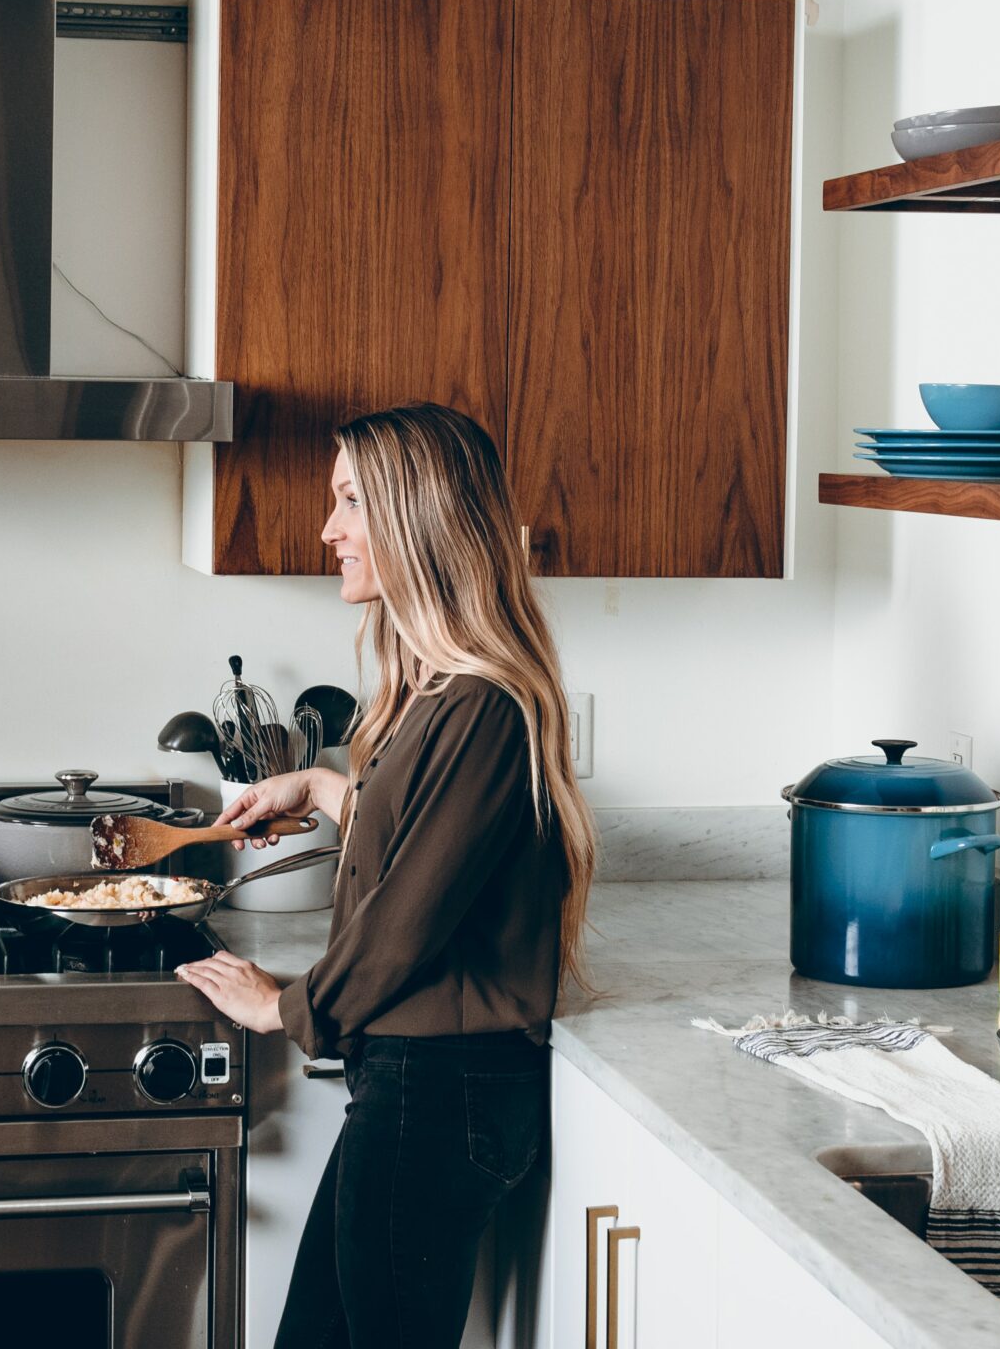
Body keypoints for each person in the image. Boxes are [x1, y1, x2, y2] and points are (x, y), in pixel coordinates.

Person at [175, 402, 596, 1349]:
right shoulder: (438, 695)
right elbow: (431, 845)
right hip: (416, 1091)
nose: (329, 529)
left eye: (352, 501)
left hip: (438, 1094)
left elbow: (407, 919)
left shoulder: (481, 704)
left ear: (420, 517)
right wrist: (325, 786)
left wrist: (286, 1007)